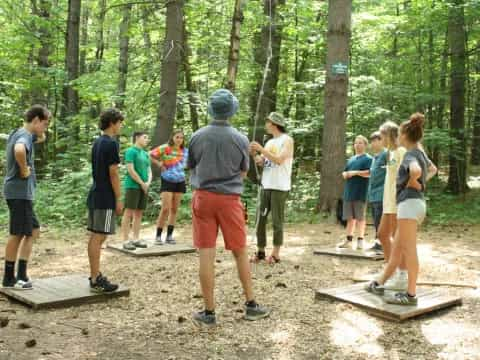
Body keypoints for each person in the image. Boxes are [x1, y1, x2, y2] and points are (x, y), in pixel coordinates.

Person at [188, 89, 270, 326]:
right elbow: (244, 171)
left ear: (211, 110)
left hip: (203, 198)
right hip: (230, 201)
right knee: (240, 251)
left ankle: (209, 312)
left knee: (206, 252)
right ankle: (251, 304)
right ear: (231, 111)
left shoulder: (197, 136)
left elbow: (191, 166)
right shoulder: (240, 138)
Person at [365, 113, 437, 305]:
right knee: (397, 247)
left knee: (409, 250)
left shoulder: (410, 154)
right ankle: (380, 282)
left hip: (408, 204)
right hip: (412, 204)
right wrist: (417, 183)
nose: (397, 138)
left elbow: (415, 170)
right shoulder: (418, 152)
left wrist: (414, 181)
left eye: (399, 134)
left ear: (404, 135)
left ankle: (410, 294)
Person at [2, 105, 50, 290]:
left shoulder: (21, 132)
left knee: (34, 230)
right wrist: (23, 169)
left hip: (21, 193)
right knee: (17, 234)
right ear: (35, 120)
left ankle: (21, 273)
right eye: (44, 124)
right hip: (19, 193)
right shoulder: (23, 138)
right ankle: (9, 278)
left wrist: (40, 133)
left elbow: (39, 137)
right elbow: (20, 150)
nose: (45, 129)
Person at [86, 108, 124, 293]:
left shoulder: (97, 142)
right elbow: (113, 173)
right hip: (105, 195)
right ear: (112, 123)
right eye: (119, 122)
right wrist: (118, 198)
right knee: (98, 236)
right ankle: (95, 278)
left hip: (96, 193)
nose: (121, 126)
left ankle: (95, 275)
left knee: (97, 235)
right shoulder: (110, 144)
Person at [249, 112, 294, 264]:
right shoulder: (269, 143)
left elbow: (280, 160)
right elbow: (263, 163)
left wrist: (261, 149)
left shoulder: (287, 140)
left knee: (276, 221)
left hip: (280, 187)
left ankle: (275, 254)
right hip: (266, 185)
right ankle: (261, 251)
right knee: (260, 219)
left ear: (274, 124)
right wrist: (255, 155)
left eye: (267, 122)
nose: (266, 124)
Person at [376, 121, 408, 290]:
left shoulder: (402, 151)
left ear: (389, 135)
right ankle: (391, 271)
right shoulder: (390, 153)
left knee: (397, 240)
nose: (381, 139)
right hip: (388, 202)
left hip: (397, 202)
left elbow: (409, 174)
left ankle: (402, 276)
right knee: (382, 235)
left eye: (382, 136)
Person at [150, 130, 188, 245]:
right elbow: (151, 154)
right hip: (167, 180)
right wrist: (159, 164)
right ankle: (158, 236)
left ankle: (169, 236)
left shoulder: (186, 151)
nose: (179, 139)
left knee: (174, 209)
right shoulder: (165, 148)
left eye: (181, 138)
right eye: (177, 137)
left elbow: (191, 163)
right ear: (172, 137)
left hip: (180, 181)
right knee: (165, 208)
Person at [338, 135, 373, 250]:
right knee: (349, 218)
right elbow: (345, 172)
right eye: (355, 143)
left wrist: (355, 173)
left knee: (360, 218)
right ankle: (348, 240)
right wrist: (345, 174)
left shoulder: (368, 159)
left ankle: (361, 240)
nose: (357, 145)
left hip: (360, 192)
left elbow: (369, 173)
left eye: (360, 143)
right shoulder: (351, 159)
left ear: (365, 145)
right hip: (349, 192)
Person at [121, 131, 152, 250]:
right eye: (145, 137)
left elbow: (149, 170)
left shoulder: (145, 153)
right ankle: (125, 240)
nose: (147, 140)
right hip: (132, 186)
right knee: (128, 212)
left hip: (144, 187)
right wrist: (141, 183)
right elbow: (130, 170)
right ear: (137, 138)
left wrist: (147, 183)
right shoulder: (130, 151)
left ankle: (136, 239)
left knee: (139, 213)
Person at [367, 131, 387, 253]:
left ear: (382, 141)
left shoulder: (386, 155)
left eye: (376, 140)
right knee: (375, 220)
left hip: (382, 193)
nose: (373, 143)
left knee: (381, 219)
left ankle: (383, 244)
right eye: (372, 141)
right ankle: (377, 242)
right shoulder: (375, 157)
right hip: (373, 194)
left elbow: (392, 171)